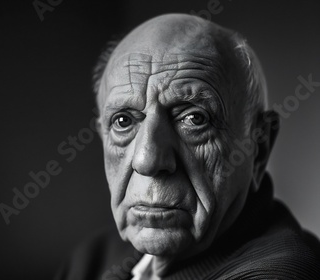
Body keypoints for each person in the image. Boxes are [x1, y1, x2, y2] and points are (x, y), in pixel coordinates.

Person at [55, 13, 320, 280]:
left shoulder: (281, 273)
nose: (147, 160)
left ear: (259, 148)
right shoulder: (92, 259)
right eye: (123, 121)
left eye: (194, 118)